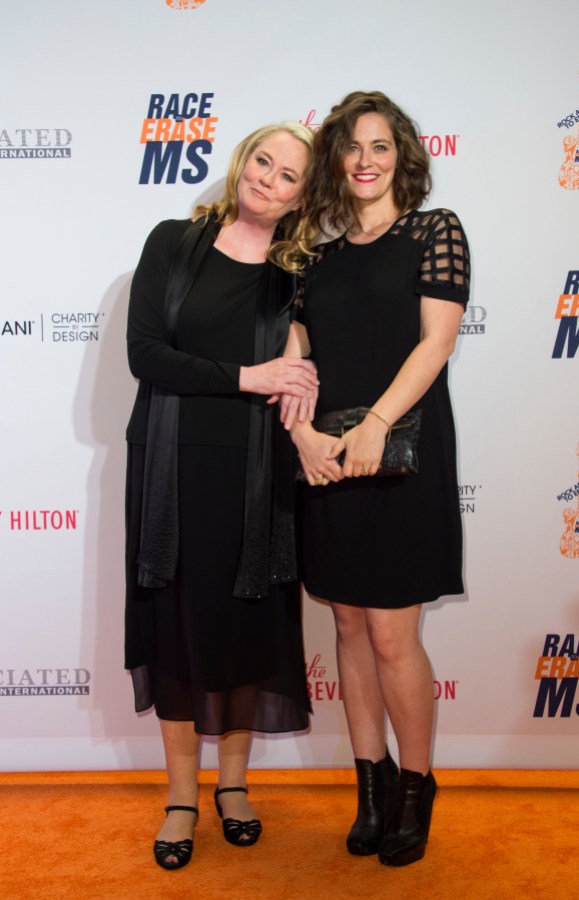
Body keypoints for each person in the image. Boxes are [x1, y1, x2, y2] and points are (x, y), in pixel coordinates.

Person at [124, 123, 318, 870]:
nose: (268, 178)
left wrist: (292, 373)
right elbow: (147, 354)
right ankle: (180, 796)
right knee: (175, 625)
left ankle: (232, 787)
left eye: (289, 174)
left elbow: (301, 367)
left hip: (256, 474)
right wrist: (248, 375)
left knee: (245, 623)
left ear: (304, 195)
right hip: (171, 469)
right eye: (262, 160)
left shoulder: (298, 274)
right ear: (242, 162)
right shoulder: (173, 242)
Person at [286, 91, 471, 867]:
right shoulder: (312, 255)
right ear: (335, 161)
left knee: (394, 632)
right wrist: (298, 431)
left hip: (401, 457)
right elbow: (298, 359)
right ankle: (371, 782)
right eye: (352, 147)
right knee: (349, 625)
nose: (365, 160)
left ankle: (417, 787)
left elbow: (435, 345)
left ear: (403, 156)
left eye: (380, 145)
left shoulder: (435, 231)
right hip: (326, 461)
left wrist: (373, 426)